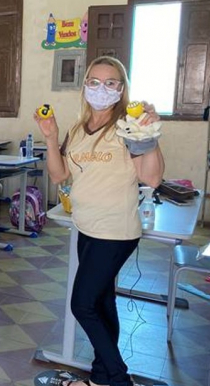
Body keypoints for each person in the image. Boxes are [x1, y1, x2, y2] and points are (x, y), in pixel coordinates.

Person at [34, 56, 164, 386]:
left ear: (121, 90)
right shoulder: (78, 129)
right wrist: (51, 137)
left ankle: (119, 379)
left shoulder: (128, 127)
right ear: (84, 86)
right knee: (102, 303)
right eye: (93, 81)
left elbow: (151, 178)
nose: (100, 89)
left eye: (110, 83)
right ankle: (102, 378)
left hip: (115, 231)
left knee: (82, 305)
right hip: (86, 227)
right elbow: (61, 175)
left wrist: (148, 134)